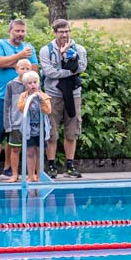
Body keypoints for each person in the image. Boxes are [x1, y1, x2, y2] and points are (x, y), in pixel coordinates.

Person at [0, 17, 34, 180]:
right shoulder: (0, 44)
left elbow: (33, 69)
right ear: (9, 31)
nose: (20, 34)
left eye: (22, 31)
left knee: (13, 133)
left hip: (20, 98)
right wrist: (19, 58)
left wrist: (12, 63)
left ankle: (8, 169)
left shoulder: (29, 47)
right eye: (17, 30)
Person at [38, 19, 87, 178]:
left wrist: (67, 57)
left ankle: (70, 165)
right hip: (53, 94)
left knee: (72, 132)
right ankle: (51, 166)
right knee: (51, 132)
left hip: (74, 94)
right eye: (61, 32)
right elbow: (49, 72)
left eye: (67, 31)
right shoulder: (46, 50)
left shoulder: (79, 49)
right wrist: (69, 72)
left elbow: (81, 67)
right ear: (54, 32)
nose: (64, 34)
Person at [4, 66, 53, 183]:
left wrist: (41, 100)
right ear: (25, 85)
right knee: (30, 152)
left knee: (39, 152)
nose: (32, 85)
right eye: (29, 83)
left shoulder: (43, 95)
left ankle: (39, 174)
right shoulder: (23, 96)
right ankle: (30, 175)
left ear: (38, 83)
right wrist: (28, 101)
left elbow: (48, 110)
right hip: (28, 129)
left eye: (35, 82)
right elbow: (21, 108)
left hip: (41, 129)